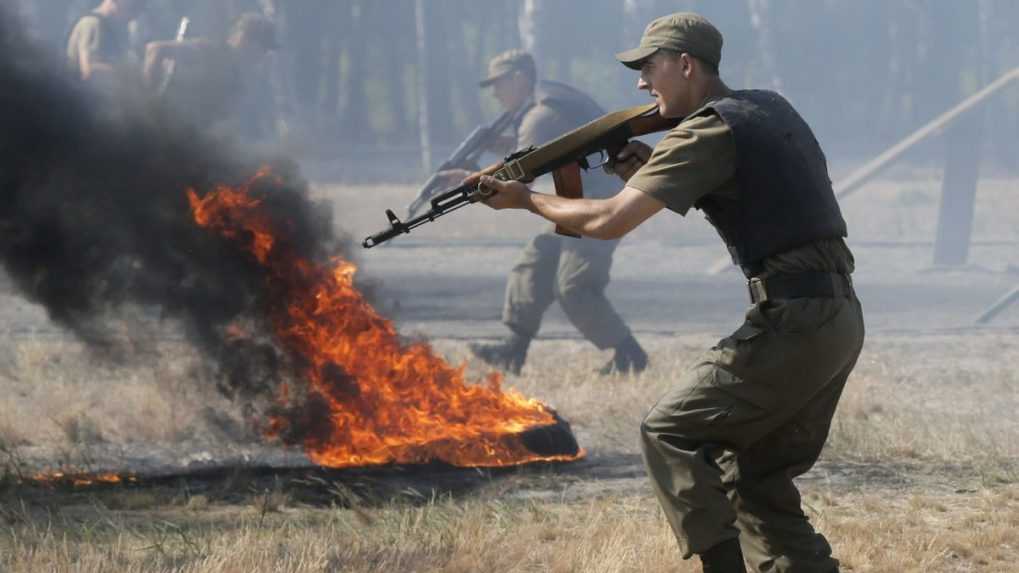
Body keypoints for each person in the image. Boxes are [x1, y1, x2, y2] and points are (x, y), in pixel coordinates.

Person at [466, 13, 863, 573]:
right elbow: (765, 194)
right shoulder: (767, 107)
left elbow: (605, 219)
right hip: (837, 318)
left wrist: (525, 199)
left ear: (685, 64)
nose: (640, 83)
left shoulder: (706, 130)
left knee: (670, 430)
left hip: (795, 320)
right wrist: (658, 169)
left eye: (649, 67)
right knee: (756, 479)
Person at [457, 49, 648, 376]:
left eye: (498, 83)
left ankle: (629, 355)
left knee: (574, 285)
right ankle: (514, 350)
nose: (494, 93)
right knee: (537, 258)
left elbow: (518, 171)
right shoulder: (548, 101)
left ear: (519, 79)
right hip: (585, 198)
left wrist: (465, 182)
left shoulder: (541, 113)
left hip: (603, 204)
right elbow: (539, 149)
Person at [142, 12, 278, 136]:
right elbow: (156, 49)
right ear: (246, 40)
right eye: (263, 47)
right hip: (164, 128)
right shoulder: (211, 53)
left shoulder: (237, 80)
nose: (263, 55)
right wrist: (149, 102)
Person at [66, 0, 146, 86]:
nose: (135, 15)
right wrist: (127, 76)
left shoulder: (115, 28)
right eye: (133, 6)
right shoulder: (92, 23)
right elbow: (91, 71)